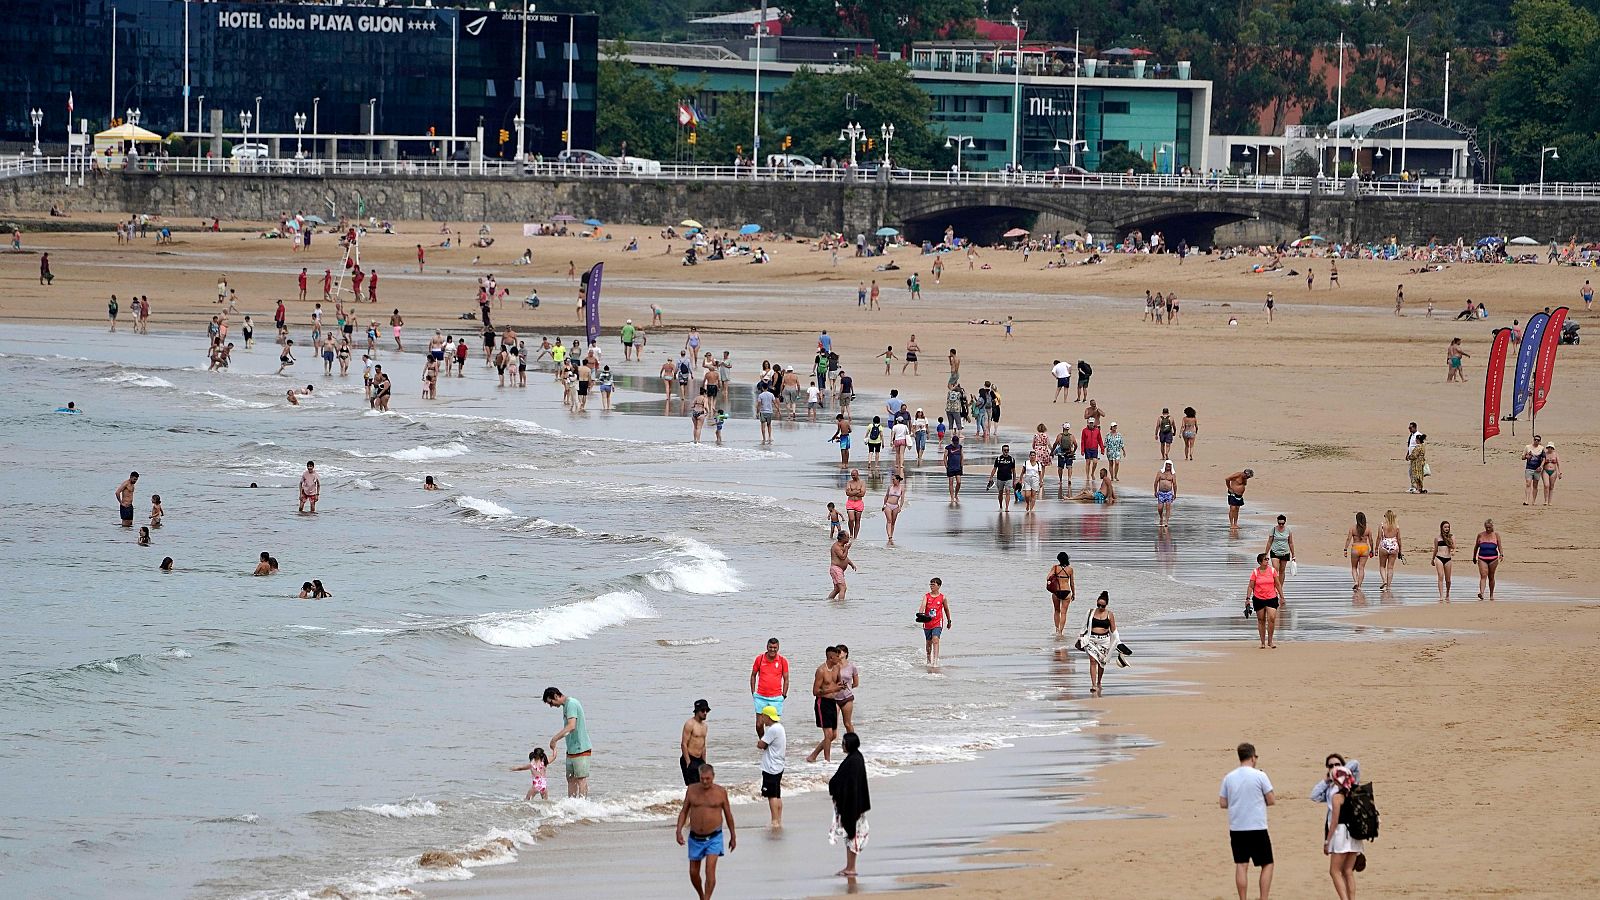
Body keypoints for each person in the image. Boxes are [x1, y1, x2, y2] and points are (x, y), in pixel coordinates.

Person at [1219, 742, 1277, 900]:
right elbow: (1271, 799)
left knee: (1241, 864)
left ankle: (1242, 898)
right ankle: (1263, 897)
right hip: (1257, 826)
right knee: (1267, 863)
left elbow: (1223, 803)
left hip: (1237, 827)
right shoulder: (1260, 775)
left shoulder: (1229, 777)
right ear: (1252, 757)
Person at [676, 762, 737, 900]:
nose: (704, 781)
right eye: (702, 778)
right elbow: (684, 811)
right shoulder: (692, 790)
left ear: (713, 777)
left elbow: (728, 814)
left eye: (707, 778)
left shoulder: (720, 792)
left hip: (714, 837)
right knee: (693, 873)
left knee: (709, 871)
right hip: (695, 838)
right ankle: (701, 896)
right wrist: (678, 831)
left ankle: (707, 898)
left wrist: (733, 836)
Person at [828, 732, 871, 879]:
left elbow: (849, 784)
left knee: (853, 835)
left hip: (853, 804)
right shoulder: (856, 758)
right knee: (850, 834)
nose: (842, 746)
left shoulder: (854, 760)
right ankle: (849, 866)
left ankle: (851, 867)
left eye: (843, 743)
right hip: (854, 804)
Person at [541, 687, 591, 797]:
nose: (551, 705)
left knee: (581, 779)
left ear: (555, 696)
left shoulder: (571, 704)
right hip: (571, 749)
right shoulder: (565, 706)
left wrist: (555, 739)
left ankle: (583, 804)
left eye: (551, 702)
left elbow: (571, 726)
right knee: (570, 778)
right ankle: (571, 804)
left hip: (581, 748)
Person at [1325, 765, 1364, 900]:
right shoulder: (1356, 792)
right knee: (1348, 871)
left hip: (1341, 834)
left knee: (1334, 871)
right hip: (1355, 834)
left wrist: (1327, 841)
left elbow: (1334, 822)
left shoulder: (1337, 797)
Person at [806, 647, 844, 763]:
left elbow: (838, 682)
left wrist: (841, 686)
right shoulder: (821, 671)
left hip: (833, 702)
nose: (839, 658)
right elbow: (815, 692)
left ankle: (813, 756)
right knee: (828, 734)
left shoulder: (837, 667)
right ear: (831, 657)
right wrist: (833, 689)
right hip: (822, 702)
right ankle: (827, 761)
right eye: (837, 656)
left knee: (832, 735)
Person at [750, 638, 790, 736]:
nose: (772, 650)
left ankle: (774, 746)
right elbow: (753, 675)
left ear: (778, 648)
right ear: (767, 647)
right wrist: (753, 692)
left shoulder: (782, 661)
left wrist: (784, 695)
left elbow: (786, 679)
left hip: (776, 697)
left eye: (775, 647)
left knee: (774, 726)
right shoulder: (760, 659)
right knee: (759, 725)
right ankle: (763, 743)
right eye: (770, 647)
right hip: (760, 697)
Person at [755, 705, 786, 827]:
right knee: (777, 794)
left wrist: (759, 742)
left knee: (771, 795)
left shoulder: (773, 730)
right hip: (778, 765)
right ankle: (778, 819)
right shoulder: (780, 728)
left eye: (763, 717)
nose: (762, 720)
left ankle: (774, 820)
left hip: (771, 766)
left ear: (767, 717)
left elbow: (761, 744)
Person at [1247, 553, 1284, 649]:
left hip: (1271, 597)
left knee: (1271, 618)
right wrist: (1247, 599)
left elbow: (1278, 584)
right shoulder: (1255, 572)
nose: (1267, 561)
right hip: (1258, 598)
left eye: (1268, 559)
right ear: (1260, 562)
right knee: (1261, 620)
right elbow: (1251, 586)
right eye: (1265, 559)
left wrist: (1282, 596)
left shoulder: (1272, 571)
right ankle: (1262, 642)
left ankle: (1270, 641)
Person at [918, 577, 952, 665]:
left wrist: (949, 621)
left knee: (935, 639)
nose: (931, 586)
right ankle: (929, 660)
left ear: (939, 586)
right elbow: (922, 606)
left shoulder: (942, 597)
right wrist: (920, 614)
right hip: (927, 623)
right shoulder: (926, 596)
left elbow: (946, 609)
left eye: (933, 584)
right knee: (928, 643)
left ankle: (935, 662)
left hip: (938, 622)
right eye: (930, 584)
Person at [680, 699, 711, 786]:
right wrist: (688, 762)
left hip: (699, 760)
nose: (705, 713)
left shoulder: (705, 726)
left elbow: (703, 745)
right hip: (690, 758)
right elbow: (683, 744)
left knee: (703, 786)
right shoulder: (690, 724)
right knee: (693, 787)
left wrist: (704, 762)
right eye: (702, 710)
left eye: (707, 711)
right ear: (697, 711)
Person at [1047, 552, 1075, 636]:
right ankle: (1060, 631)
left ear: (1058, 559)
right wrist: (1074, 593)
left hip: (1056, 591)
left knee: (1056, 611)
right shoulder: (1070, 569)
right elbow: (1072, 583)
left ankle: (1056, 630)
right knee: (1064, 613)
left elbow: (1048, 577)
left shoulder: (1055, 568)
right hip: (1066, 591)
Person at [832, 644, 859, 733]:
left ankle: (852, 743)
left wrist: (847, 687)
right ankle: (835, 743)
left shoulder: (852, 666)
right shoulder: (833, 666)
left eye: (840, 652)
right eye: (836, 652)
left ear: (846, 653)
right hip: (834, 698)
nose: (838, 654)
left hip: (847, 697)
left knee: (847, 723)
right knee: (833, 723)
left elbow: (856, 683)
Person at [1473, 519, 1502, 601]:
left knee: (1491, 576)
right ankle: (1481, 593)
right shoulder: (1480, 535)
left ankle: (1491, 595)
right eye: (1486, 527)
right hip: (1482, 558)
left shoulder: (1496, 535)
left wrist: (1501, 554)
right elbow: (1476, 547)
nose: (1488, 529)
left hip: (1493, 558)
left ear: (1492, 527)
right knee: (1483, 575)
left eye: (1489, 527)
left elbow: (1499, 546)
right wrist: (1474, 557)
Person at [1376, 509, 1404, 590]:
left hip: (1384, 545)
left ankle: (1384, 580)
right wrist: (1400, 550)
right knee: (1390, 567)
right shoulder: (1396, 526)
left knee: (1382, 566)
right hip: (1394, 546)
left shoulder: (1382, 525)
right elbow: (1399, 539)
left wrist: (1376, 548)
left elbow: (1379, 537)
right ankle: (1388, 586)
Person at [827, 532, 857, 601]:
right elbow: (843, 557)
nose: (849, 538)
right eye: (847, 537)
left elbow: (845, 557)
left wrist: (851, 564)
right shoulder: (836, 547)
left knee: (837, 589)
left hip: (838, 570)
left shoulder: (842, 546)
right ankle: (841, 603)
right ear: (842, 538)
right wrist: (847, 549)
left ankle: (829, 600)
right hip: (836, 569)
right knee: (843, 588)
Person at [1265, 514, 1295, 579]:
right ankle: (1275, 585)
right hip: (1275, 552)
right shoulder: (1273, 530)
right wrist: (1266, 553)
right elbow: (1269, 542)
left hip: (1285, 552)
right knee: (1275, 569)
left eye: (1282, 524)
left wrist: (1293, 554)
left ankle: (1280, 588)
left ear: (1285, 522)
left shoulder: (1288, 531)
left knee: (1282, 571)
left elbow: (1290, 543)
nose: (1281, 525)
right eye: (1279, 523)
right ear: (1277, 522)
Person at [988, 444, 1017, 511]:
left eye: (1007, 450)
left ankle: (1007, 507)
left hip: (1008, 478)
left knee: (1008, 492)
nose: (1006, 451)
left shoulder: (1012, 459)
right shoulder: (998, 459)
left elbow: (1013, 470)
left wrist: (1014, 480)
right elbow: (994, 469)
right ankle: (1001, 506)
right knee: (1000, 493)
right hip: (1000, 478)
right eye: (1005, 450)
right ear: (1002, 451)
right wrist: (991, 477)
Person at [1434, 521, 1456, 603]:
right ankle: (1441, 595)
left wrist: (1453, 550)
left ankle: (1447, 593)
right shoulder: (1437, 538)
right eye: (1445, 527)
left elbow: (1454, 547)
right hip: (1439, 557)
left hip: (1448, 558)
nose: (1447, 529)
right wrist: (1432, 559)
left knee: (1448, 579)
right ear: (1442, 528)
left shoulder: (1452, 536)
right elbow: (1435, 549)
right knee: (1440, 576)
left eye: (1448, 527)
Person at [882, 473, 906, 546]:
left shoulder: (901, 488)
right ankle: (889, 536)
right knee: (889, 520)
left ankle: (891, 535)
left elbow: (902, 499)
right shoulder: (890, 487)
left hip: (895, 506)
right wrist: (884, 504)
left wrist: (900, 507)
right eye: (892, 479)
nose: (893, 481)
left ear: (898, 480)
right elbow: (886, 496)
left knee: (893, 522)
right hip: (888, 505)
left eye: (894, 479)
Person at [1522, 436, 1546, 506]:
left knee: (1535, 485)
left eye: (1538, 440)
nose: (1536, 441)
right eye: (1535, 440)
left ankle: (1534, 501)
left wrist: (1541, 466)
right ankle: (1526, 500)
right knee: (1528, 483)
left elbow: (1544, 458)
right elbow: (1522, 457)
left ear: (1540, 441)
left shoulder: (1541, 448)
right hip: (1529, 468)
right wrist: (1526, 457)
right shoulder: (1527, 447)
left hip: (1537, 469)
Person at [1155, 461, 1179, 528]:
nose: (1168, 466)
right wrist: (1155, 491)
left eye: (1170, 465)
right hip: (1161, 493)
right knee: (1160, 508)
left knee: (1168, 507)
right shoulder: (1160, 472)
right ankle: (1161, 517)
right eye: (1167, 464)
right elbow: (1156, 482)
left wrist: (1175, 494)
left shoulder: (1173, 474)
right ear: (1165, 465)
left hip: (1169, 493)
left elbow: (1174, 484)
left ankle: (1166, 521)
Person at [943, 432, 964, 503]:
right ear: (952, 441)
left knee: (959, 482)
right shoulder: (948, 448)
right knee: (951, 482)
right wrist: (946, 466)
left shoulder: (960, 447)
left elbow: (962, 456)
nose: (956, 444)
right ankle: (952, 497)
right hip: (950, 467)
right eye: (954, 442)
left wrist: (962, 465)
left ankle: (956, 495)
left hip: (958, 467)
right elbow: (945, 457)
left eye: (956, 442)